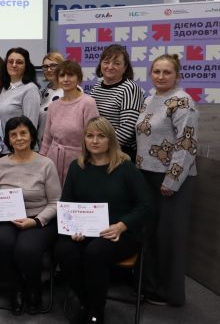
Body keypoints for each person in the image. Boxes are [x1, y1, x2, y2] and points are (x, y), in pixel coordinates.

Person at [55, 117, 153, 324]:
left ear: (111, 139)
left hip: (121, 234)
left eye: (101, 136)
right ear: (84, 139)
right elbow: (67, 203)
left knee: (95, 252)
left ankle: (95, 313)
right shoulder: (77, 167)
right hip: (84, 232)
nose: (95, 141)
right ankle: (87, 304)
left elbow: (146, 205)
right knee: (64, 250)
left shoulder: (125, 167)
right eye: (89, 136)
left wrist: (121, 225)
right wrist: (72, 228)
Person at [135, 54, 198, 307]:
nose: (161, 76)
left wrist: (172, 180)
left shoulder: (183, 102)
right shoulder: (149, 98)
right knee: (149, 235)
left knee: (168, 238)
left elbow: (187, 144)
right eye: (156, 71)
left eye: (167, 72)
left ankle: (169, 294)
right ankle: (150, 286)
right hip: (146, 175)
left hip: (171, 179)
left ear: (177, 75)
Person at [0, 116, 61, 315]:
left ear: (31, 136)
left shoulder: (46, 164)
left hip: (38, 218)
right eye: (13, 135)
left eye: (23, 133)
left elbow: (55, 202)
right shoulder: (0, 164)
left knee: (26, 249)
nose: (19, 138)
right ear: (8, 140)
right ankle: (16, 287)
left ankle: (34, 288)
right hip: (6, 219)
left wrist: (35, 221)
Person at [40, 61, 99, 185]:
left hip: (79, 162)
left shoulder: (88, 103)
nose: (66, 79)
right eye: (62, 76)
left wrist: (91, 162)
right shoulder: (53, 106)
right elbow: (47, 138)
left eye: (70, 75)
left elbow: (94, 136)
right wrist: (42, 159)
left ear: (78, 78)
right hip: (53, 160)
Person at [89, 44, 144, 160]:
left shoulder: (130, 89)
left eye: (117, 63)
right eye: (106, 62)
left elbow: (127, 127)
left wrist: (103, 146)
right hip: (97, 148)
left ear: (125, 67)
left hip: (120, 151)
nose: (110, 67)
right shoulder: (96, 87)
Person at [0, 47, 41, 130]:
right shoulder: (6, 88)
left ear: (26, 66)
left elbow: (31, 126)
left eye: (19, 62)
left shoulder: (31, 89)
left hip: (17, 138)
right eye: (10, 61)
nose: (14, 65)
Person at [38, 51, 65, 142]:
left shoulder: (70, 92)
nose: (49, 70)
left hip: (61, 144)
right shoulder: (43, 92)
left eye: (53, 65)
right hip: (41, 143)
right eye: (45, 66)